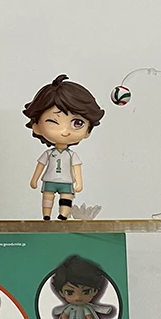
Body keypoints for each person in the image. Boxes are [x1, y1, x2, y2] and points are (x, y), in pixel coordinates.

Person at [23, 75, 105, 220]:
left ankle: (63, 215)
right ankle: (46, 215)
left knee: (67, 198)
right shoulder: (48, 154)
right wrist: (34, 179)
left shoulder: (72, 155)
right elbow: (40, 165)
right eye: (53, 122)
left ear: (88, 130)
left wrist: (79, 182)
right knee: (47, 197)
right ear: (36, 127)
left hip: (67, 181)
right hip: (49, 180)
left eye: (77, 123)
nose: (65, 131)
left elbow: (77, 168)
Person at [50, 255, 114, 319]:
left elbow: (88, 316)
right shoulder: (69, 308)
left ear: (95, 291)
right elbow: (64, 314)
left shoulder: (85, 308)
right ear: (61, 293)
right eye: (70, 292)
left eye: (86, 291)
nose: (78, 297)